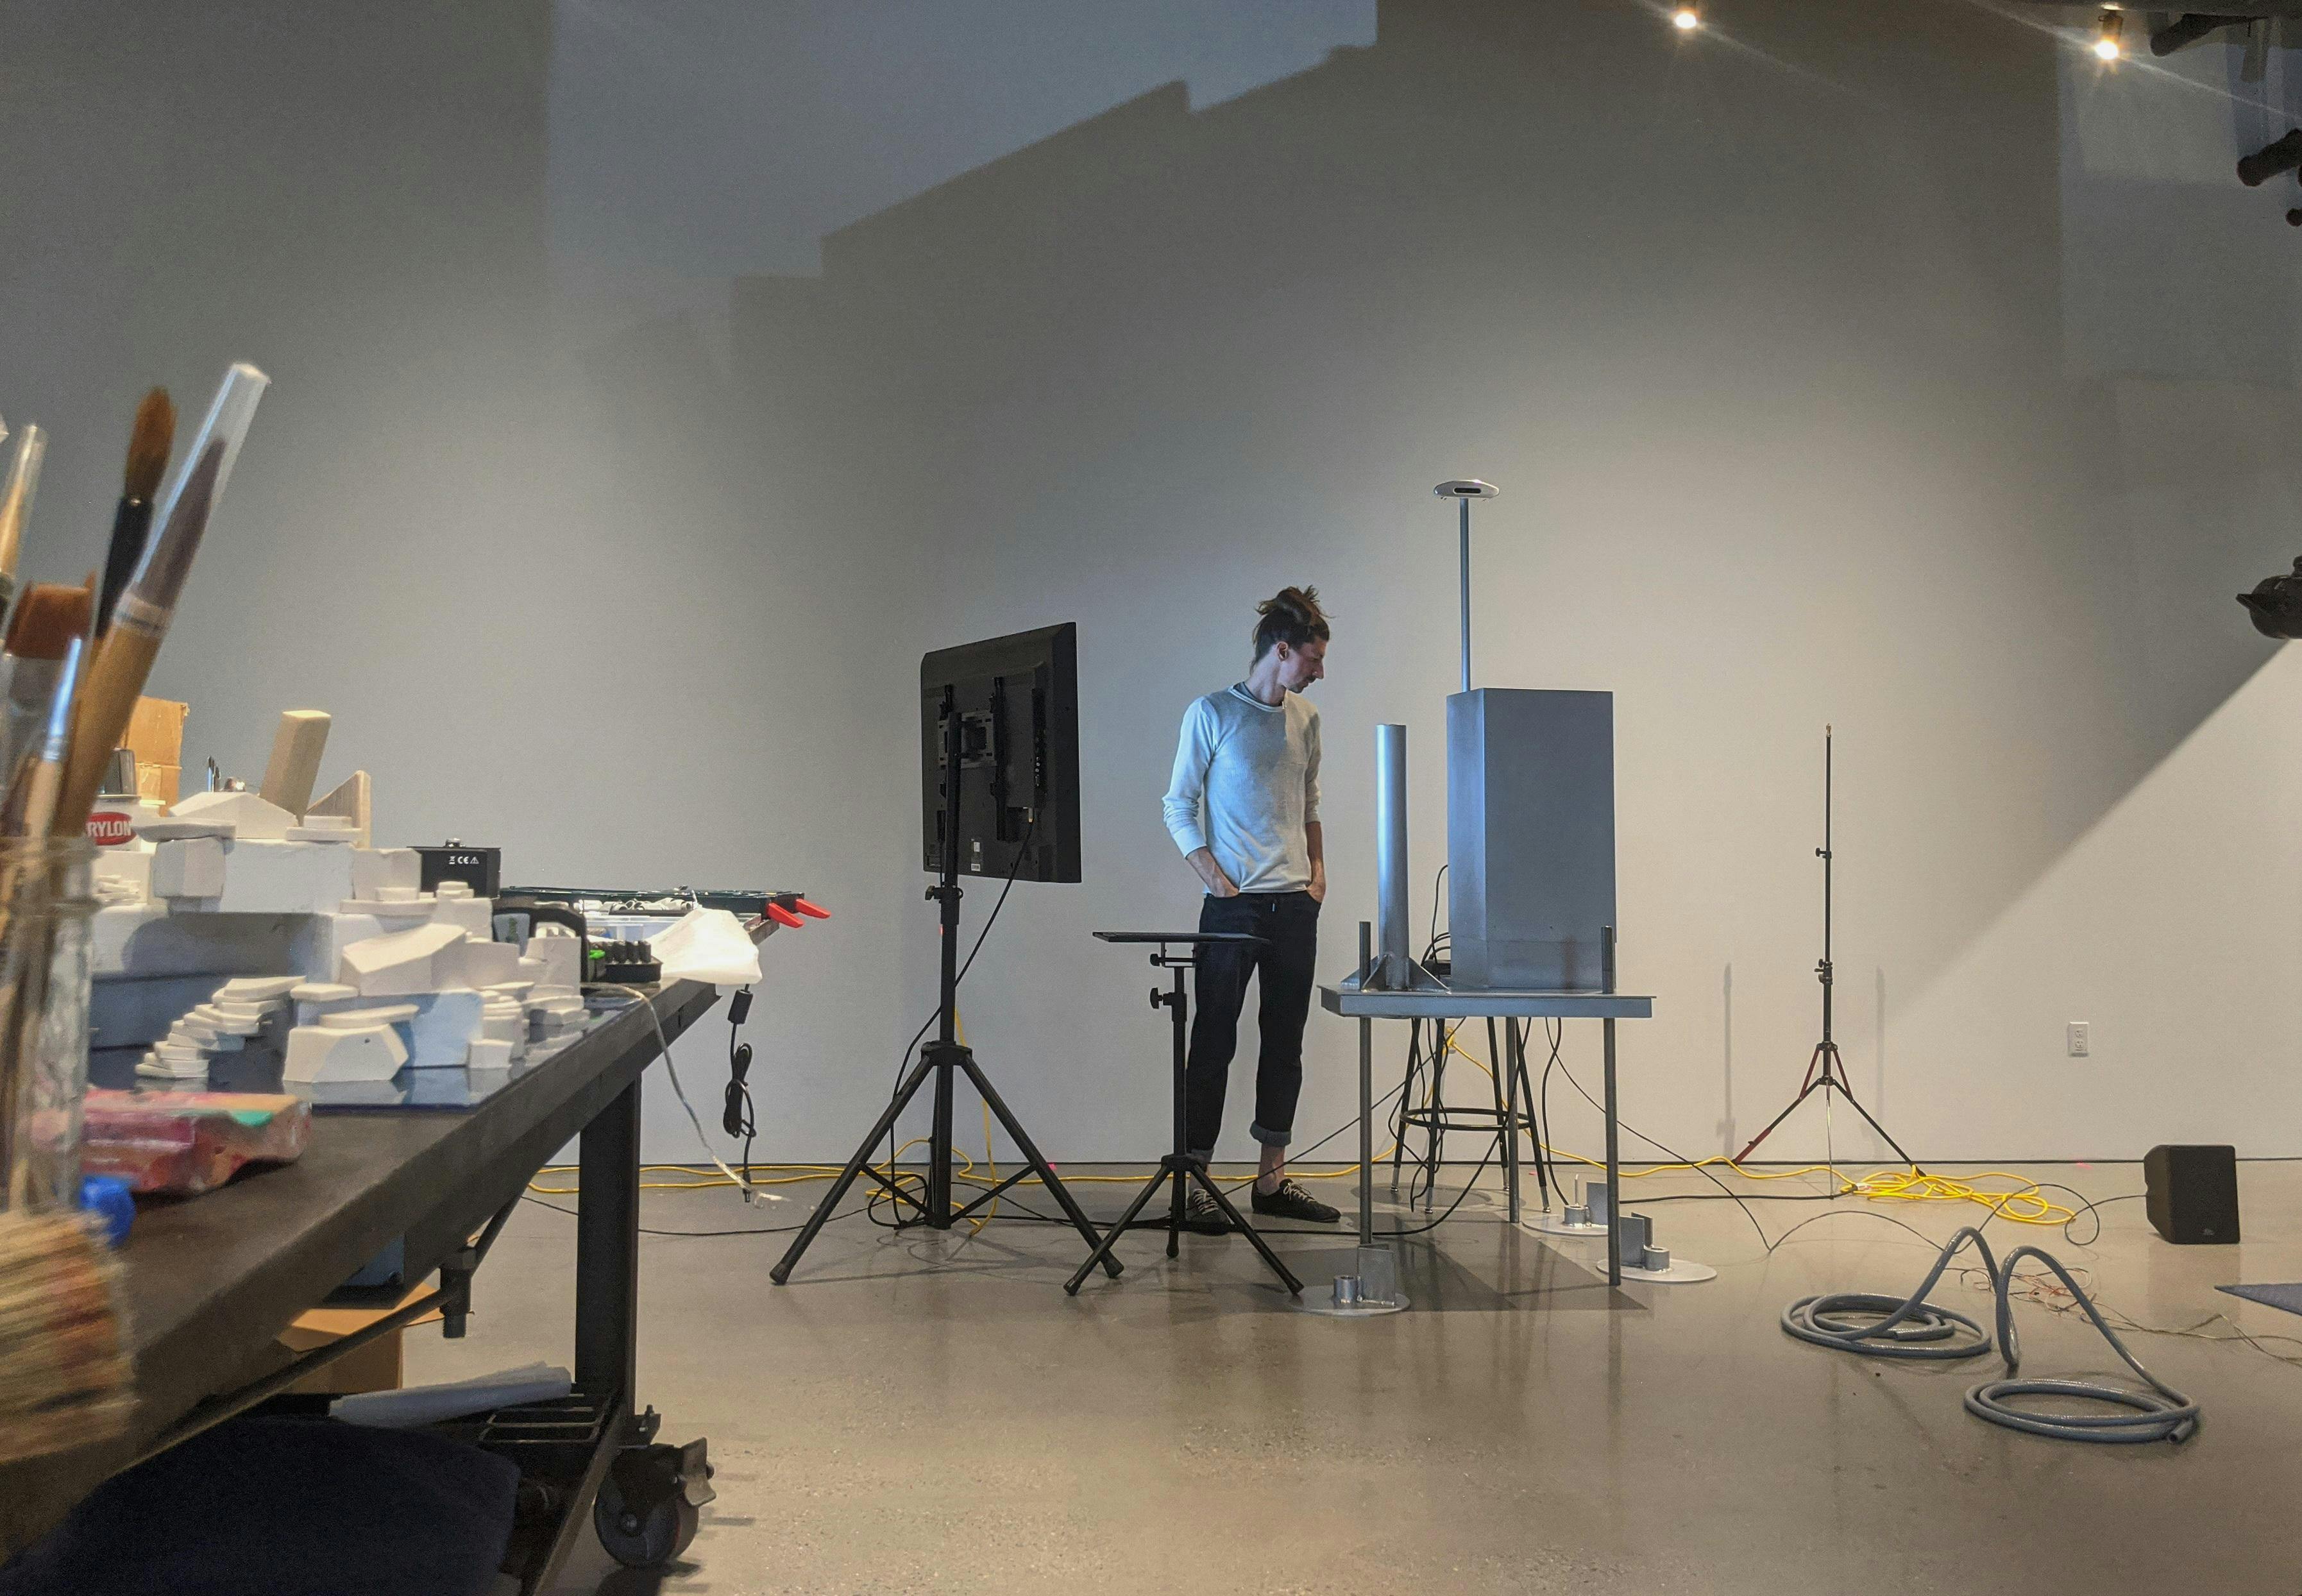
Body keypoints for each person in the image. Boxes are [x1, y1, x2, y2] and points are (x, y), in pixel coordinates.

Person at [1160, 586, 1341, 1228]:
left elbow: (1310, 803)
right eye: (1312, 659)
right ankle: (1196, 1183)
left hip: (1293, 906)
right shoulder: (1211, 713)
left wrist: (1317, 877)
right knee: (1212, 1039)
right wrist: (1211, 874)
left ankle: (1271, 1182)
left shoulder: (1306, 718)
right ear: (1281, 649)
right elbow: (1176, 804)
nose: (1320, 671)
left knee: (1283, 1043)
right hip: (1232, 909)